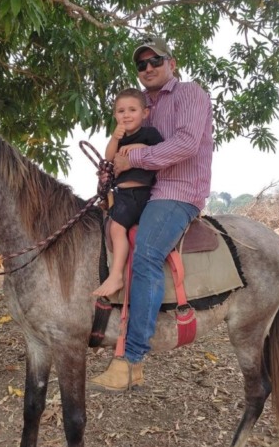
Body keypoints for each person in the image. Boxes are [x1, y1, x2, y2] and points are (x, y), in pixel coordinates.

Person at [88, 35, 214, 392]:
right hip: (144, 191)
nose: (147, 68)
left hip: (178, 191)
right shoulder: (142, 106)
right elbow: (121, 152)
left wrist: (135, 158)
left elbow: (188, 143)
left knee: (145, 253)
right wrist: (111, 169)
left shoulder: (190, 93)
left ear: (171, 63)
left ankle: (131, 358)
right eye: (141, 64)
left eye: (154, 61)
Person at [92, 88, 164, 298]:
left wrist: (141, 147)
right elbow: (108, 157)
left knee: (116, 229)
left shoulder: (150, 134)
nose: (126, 115)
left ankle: (116, 275)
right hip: (122, 195)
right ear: (115, 115)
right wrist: (115, 138)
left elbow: (161, 151)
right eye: (121, 111)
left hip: (138, 194)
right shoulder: (120, 138)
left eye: (132, 110)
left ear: (145, 113)